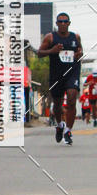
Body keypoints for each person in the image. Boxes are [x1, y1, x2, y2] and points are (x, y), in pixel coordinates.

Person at [37, 13, 82, 145]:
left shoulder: (75, 37)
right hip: (56, 74)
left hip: (72, 72)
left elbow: (80, 52)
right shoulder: (50, 37)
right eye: (60, 22)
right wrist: (52, 51)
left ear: (69, 23)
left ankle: (68, 131)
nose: (63, 24)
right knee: (57, 104)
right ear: (56, 24)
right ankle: (60, 125)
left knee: (72, 97)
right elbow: (39, 53)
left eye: (65, 21)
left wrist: (79, 54)